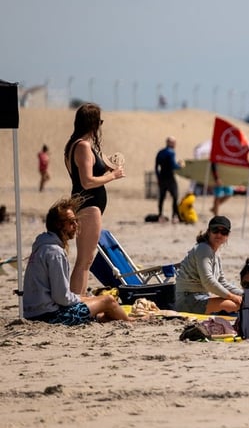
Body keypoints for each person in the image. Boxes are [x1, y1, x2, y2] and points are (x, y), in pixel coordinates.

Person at [22, 195, 130, 324]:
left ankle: (123, 319)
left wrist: (84, 298)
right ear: (58, 225)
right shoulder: (55, 252)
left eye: (76, 221)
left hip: (33, 313)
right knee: (108, 301)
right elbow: (62, 298)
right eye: (71, 222)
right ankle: (130, 321)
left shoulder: (41, 247)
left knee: (100, 311)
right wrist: (82, 298)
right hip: (50, 316)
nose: (75, 225)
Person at [63, 103, 125, 295]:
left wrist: (113, 164)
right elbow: (87, 181)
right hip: (88, 206)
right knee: (84, 260)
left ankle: (79, 298)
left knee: (86, 260)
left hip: (89, 205)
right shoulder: (82, 146)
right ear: (94, 123)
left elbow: (104, 164)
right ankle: (77, 300)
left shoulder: (85, 145)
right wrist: (113, 176)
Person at [175, 216, 243, 314]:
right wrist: (233, 297)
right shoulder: (203, 249)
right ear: (208, 231)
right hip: (189, 300)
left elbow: (221, 282)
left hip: (201, 297)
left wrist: (244, 294)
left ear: (228, 235)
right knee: (240, 306)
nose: (219, 235)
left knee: (244, 302)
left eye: (224, 232)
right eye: (215, 230)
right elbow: (208, 282)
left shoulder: (215, 253)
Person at [155, 136, 182, 222]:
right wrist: (180, 166)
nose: (175, 144)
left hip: (162, 177)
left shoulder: (160, 152)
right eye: (174, 143)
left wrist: (158, 177)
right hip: (170, 178)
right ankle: (174, 216)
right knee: (175, 196)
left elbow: (156, 167)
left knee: (162, 197)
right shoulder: (171, 152)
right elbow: (173, 165)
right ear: (170, 143)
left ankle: (160, 215)